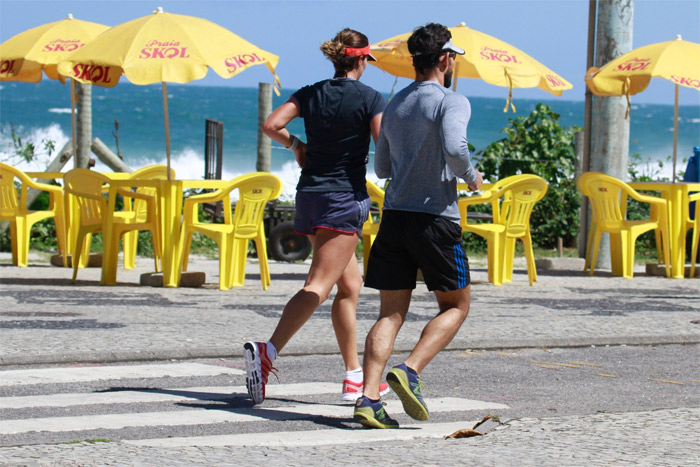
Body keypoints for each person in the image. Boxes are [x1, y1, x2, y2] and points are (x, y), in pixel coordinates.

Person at [244, 28, 389, 405]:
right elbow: (383, 150)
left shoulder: (311, 92)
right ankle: (268, 352)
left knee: (350, 286)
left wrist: (298, 145)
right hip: (343, 198)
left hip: (309, 195)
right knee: (318, 285)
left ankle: (354, 377)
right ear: (361, 59)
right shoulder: (370, 97)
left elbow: (271, 125)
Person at [353, 23, 483, 429]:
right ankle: (410, 370)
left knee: (390, 313)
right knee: (456, 306)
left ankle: (369, 398)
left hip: (394, 218)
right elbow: (454, 147)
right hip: (435, 219)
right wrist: (472, 176)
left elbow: (383, 166)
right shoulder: (452, 101)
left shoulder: (396, 104)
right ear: (445, 58)